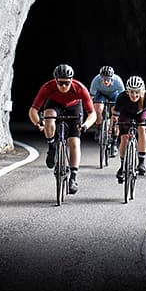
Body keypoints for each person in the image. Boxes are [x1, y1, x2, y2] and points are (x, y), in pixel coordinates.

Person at [28, 64, 96, 195]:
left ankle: (73, 177)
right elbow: (33, 109)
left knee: (74, 143)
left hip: (74, 107)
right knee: (49, 117)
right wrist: (38, 122)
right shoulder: (48, 87)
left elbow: (92, 113)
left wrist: (86, 125)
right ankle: (52, 146)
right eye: (60, 83)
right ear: (55, 81)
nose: (64, 86)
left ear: (71, 80)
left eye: (67, 83)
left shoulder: (80, 89)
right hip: (54, 104)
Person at [111, 75, 146, 182]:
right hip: (126, 114)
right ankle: (122, 165)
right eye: (132, 92)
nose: (134, 95)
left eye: (137, 92)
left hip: (141, 114)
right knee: (124, 138)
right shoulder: (121, 97)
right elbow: (115, 116)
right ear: (127, 91)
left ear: (141, 92)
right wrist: (112, 127)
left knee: (142, 130)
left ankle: (141, 162)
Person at [88, 65, 125, 156]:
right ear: (100, 77)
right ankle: (99, 127)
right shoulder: (96, 80)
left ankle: (114, 142)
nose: (106, 81)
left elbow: (123, 97)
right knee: (98, 109)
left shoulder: (118, 81)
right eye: (104, 78)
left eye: (108, 79)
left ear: (112, 78)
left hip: (114, 95)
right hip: (101, 94)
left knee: (116, 115)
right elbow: (91, 97)